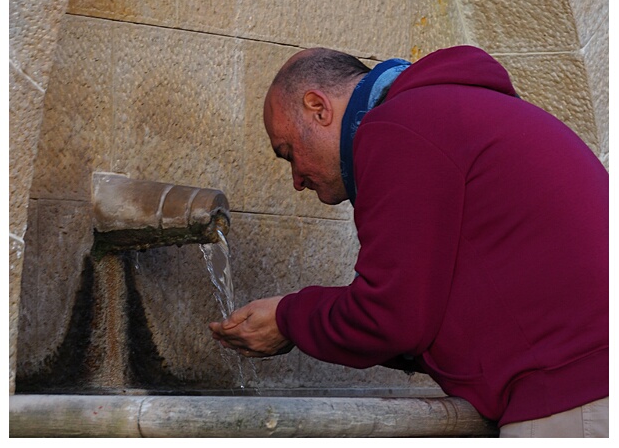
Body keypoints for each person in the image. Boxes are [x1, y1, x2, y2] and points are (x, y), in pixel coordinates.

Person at [209, 46, 608, 437]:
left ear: (318, 107)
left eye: (288, 153)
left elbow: (387, 318)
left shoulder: (398, 125)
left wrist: (288, 318)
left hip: (575, 397)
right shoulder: (450, 109)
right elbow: (421, 321)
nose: (296, 180)